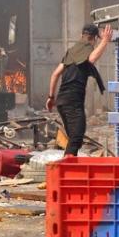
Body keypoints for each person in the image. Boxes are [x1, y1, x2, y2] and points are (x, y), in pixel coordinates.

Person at [46, 23, 113, 156]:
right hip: (72, 102)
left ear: (81, 35)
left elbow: (55, 74)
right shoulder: (87, 48)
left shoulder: (71, 51)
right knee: (76, 139)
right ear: (94, 39)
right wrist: (105, 41)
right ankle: (65, 171)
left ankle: (68, 167)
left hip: (61, 101)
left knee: (73, 139)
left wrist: (51, 98)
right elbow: (92, 58)